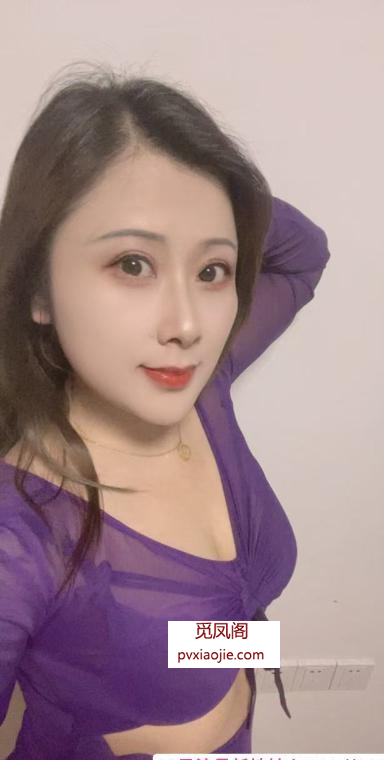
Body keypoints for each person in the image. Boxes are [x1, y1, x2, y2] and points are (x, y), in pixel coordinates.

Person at [0, 62, 331, 759]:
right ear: (38, 290)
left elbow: (303, 256)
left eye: (211, 271)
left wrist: (196, 182)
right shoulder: (20, 536)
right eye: (132, 264)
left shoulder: (202, 387)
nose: (187, 325)